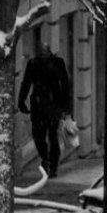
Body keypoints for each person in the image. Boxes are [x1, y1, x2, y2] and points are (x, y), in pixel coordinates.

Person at [18, 39, 71, 177]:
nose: (43, 54)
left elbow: (65, 85)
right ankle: (46, 159)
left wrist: (66, 107)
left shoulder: (57, 63)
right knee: (38, 136)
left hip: (53, 105)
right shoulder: (33, 64)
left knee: (53, 136)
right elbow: (26, 83)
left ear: (49, 51)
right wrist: (21, 101)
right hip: (39, 105)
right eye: (41, 52)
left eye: (45, 52)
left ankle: (52, 165)